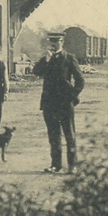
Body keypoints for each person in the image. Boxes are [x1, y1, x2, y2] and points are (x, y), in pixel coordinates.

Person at [32, 32, 85, 174]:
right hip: (49, 103)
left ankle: (72, 165)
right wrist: (46, 61)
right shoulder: (46, 59)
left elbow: (80, 81)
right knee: (53, 136)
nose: (54, 45)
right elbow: (35, 72)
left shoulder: (69, 58)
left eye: (57, 41)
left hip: (64, 103)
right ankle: (56, 165)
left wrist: (72, 97)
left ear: (63, 42)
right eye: (52, 42)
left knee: (69, 135)